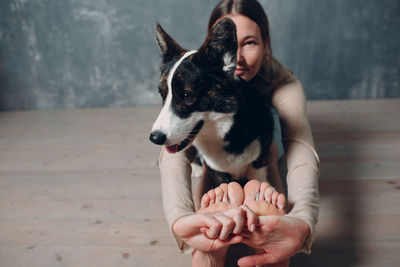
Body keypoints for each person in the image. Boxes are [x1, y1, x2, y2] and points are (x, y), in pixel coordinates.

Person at [158, 0, 320, 266]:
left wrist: (303, 218)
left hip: (259, 141)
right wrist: (180, 218)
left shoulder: (281, 80)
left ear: (266, 43)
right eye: (231, 46)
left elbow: (301, 147)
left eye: (250, 43)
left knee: (273, 147)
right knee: (203, 161)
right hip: (212, 146)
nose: (239, 59)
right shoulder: (196, 73)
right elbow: (172, 152)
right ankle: (210, 229)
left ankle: (269, 216)